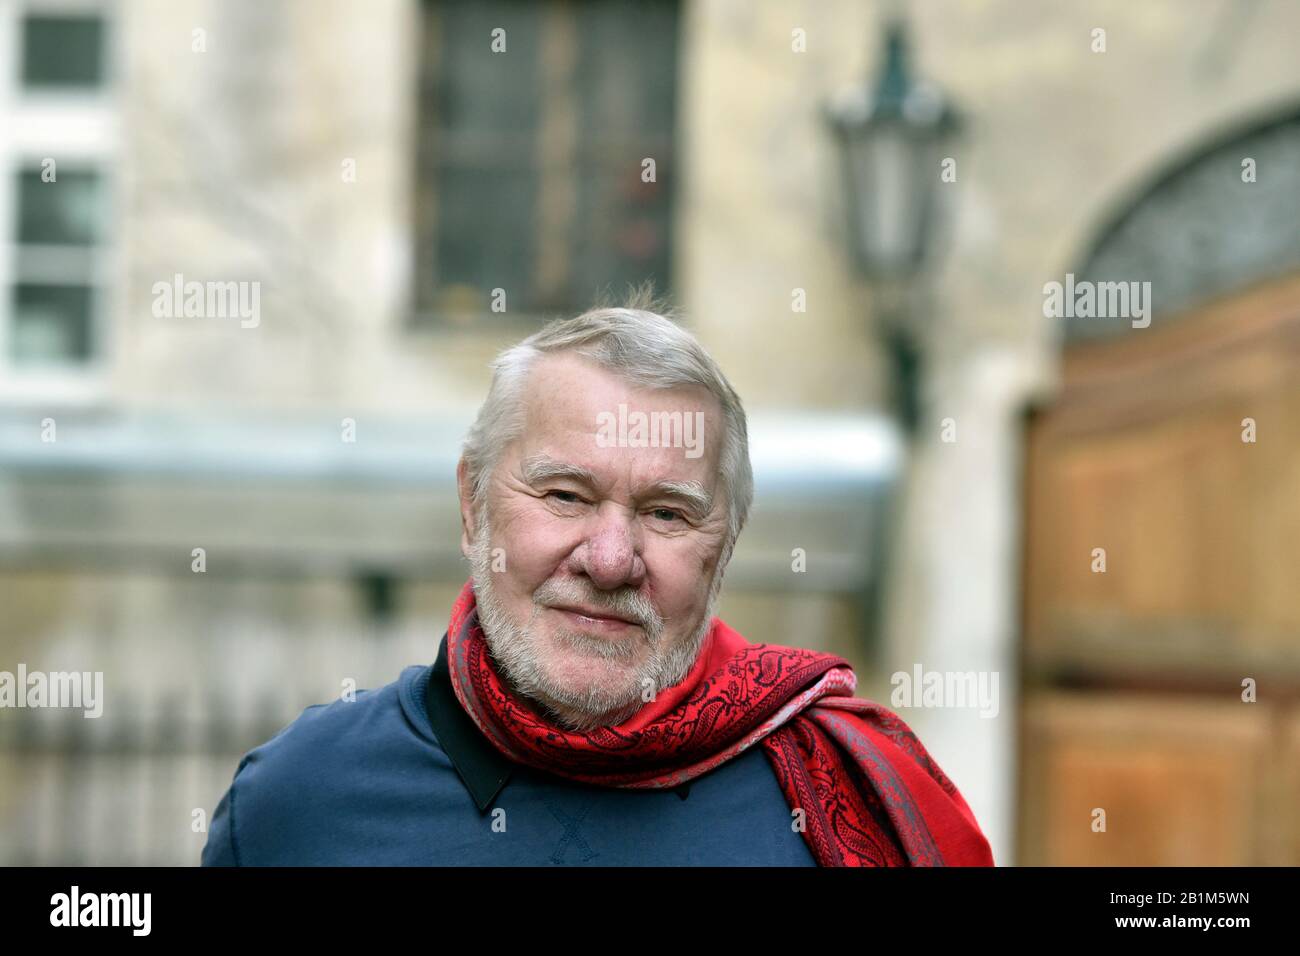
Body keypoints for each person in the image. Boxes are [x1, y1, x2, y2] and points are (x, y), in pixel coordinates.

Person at [201, 289, 994, 866]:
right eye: (565, 496)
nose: (611, 560)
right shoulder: (301, 804)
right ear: (474, 508)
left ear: (725, 546)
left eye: (667, 514)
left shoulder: (846, 796)